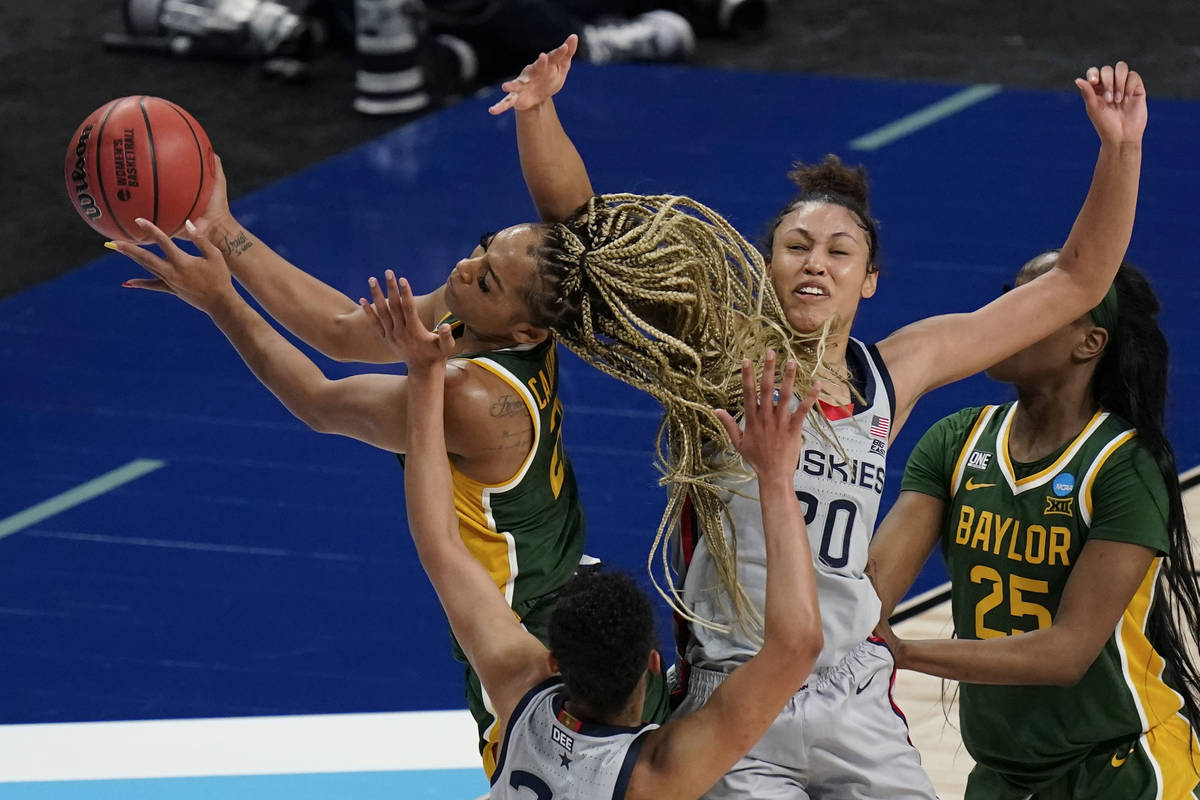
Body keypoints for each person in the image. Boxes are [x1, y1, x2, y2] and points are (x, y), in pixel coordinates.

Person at [493, 39, 1148, 798]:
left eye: (840, 252)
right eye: (796, 246)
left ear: (869, 281)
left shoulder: (894, 371)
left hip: (851, 690)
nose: (816, 262)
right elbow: (588, 234)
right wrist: (538, 110)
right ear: (764, 266)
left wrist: (1120, 148)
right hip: (738, 693)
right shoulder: (716, 353)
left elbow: (1075, 281)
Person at [111, 162, 672, 776]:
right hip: (568, 581)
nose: (466, 268)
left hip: (517, 626)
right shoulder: (499, 319)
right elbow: (344, 331)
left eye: (486, 280)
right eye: (482, 247)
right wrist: (221, 229)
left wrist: (220, 301)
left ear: (524, 326)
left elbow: (320, 402)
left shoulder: (471, 400)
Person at [387, 250, 823, 799]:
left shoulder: (521, 695)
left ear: (552, 660)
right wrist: (779, 479)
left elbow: (440, 543)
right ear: (652, 664)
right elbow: (799, 644)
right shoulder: (655, 777)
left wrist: (425, 380)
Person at [868, 256, 1200, 798]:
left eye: (1040, 301)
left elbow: (1066, 654)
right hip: (1001, 774)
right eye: (1009, 295)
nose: (1007, 313)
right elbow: (870, 594)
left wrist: (902, 652)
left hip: (1121, 768)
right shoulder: (955, 440)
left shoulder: (1123, 465)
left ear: (1088, 343)